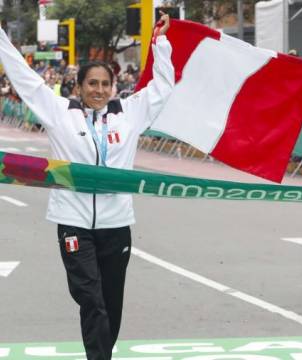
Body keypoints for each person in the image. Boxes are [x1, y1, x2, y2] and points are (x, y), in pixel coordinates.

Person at [0, 14, 174, 360]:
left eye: (104, 84)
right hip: (74, 224)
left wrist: (162, 43)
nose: (98, 90)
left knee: (111, 304)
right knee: (91, 299)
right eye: (91, 84)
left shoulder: (130, 113)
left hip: (116, 226)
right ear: (78, 86)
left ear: (112, 87)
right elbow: (24, 78)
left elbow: (163, 87)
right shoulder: (58, 111)